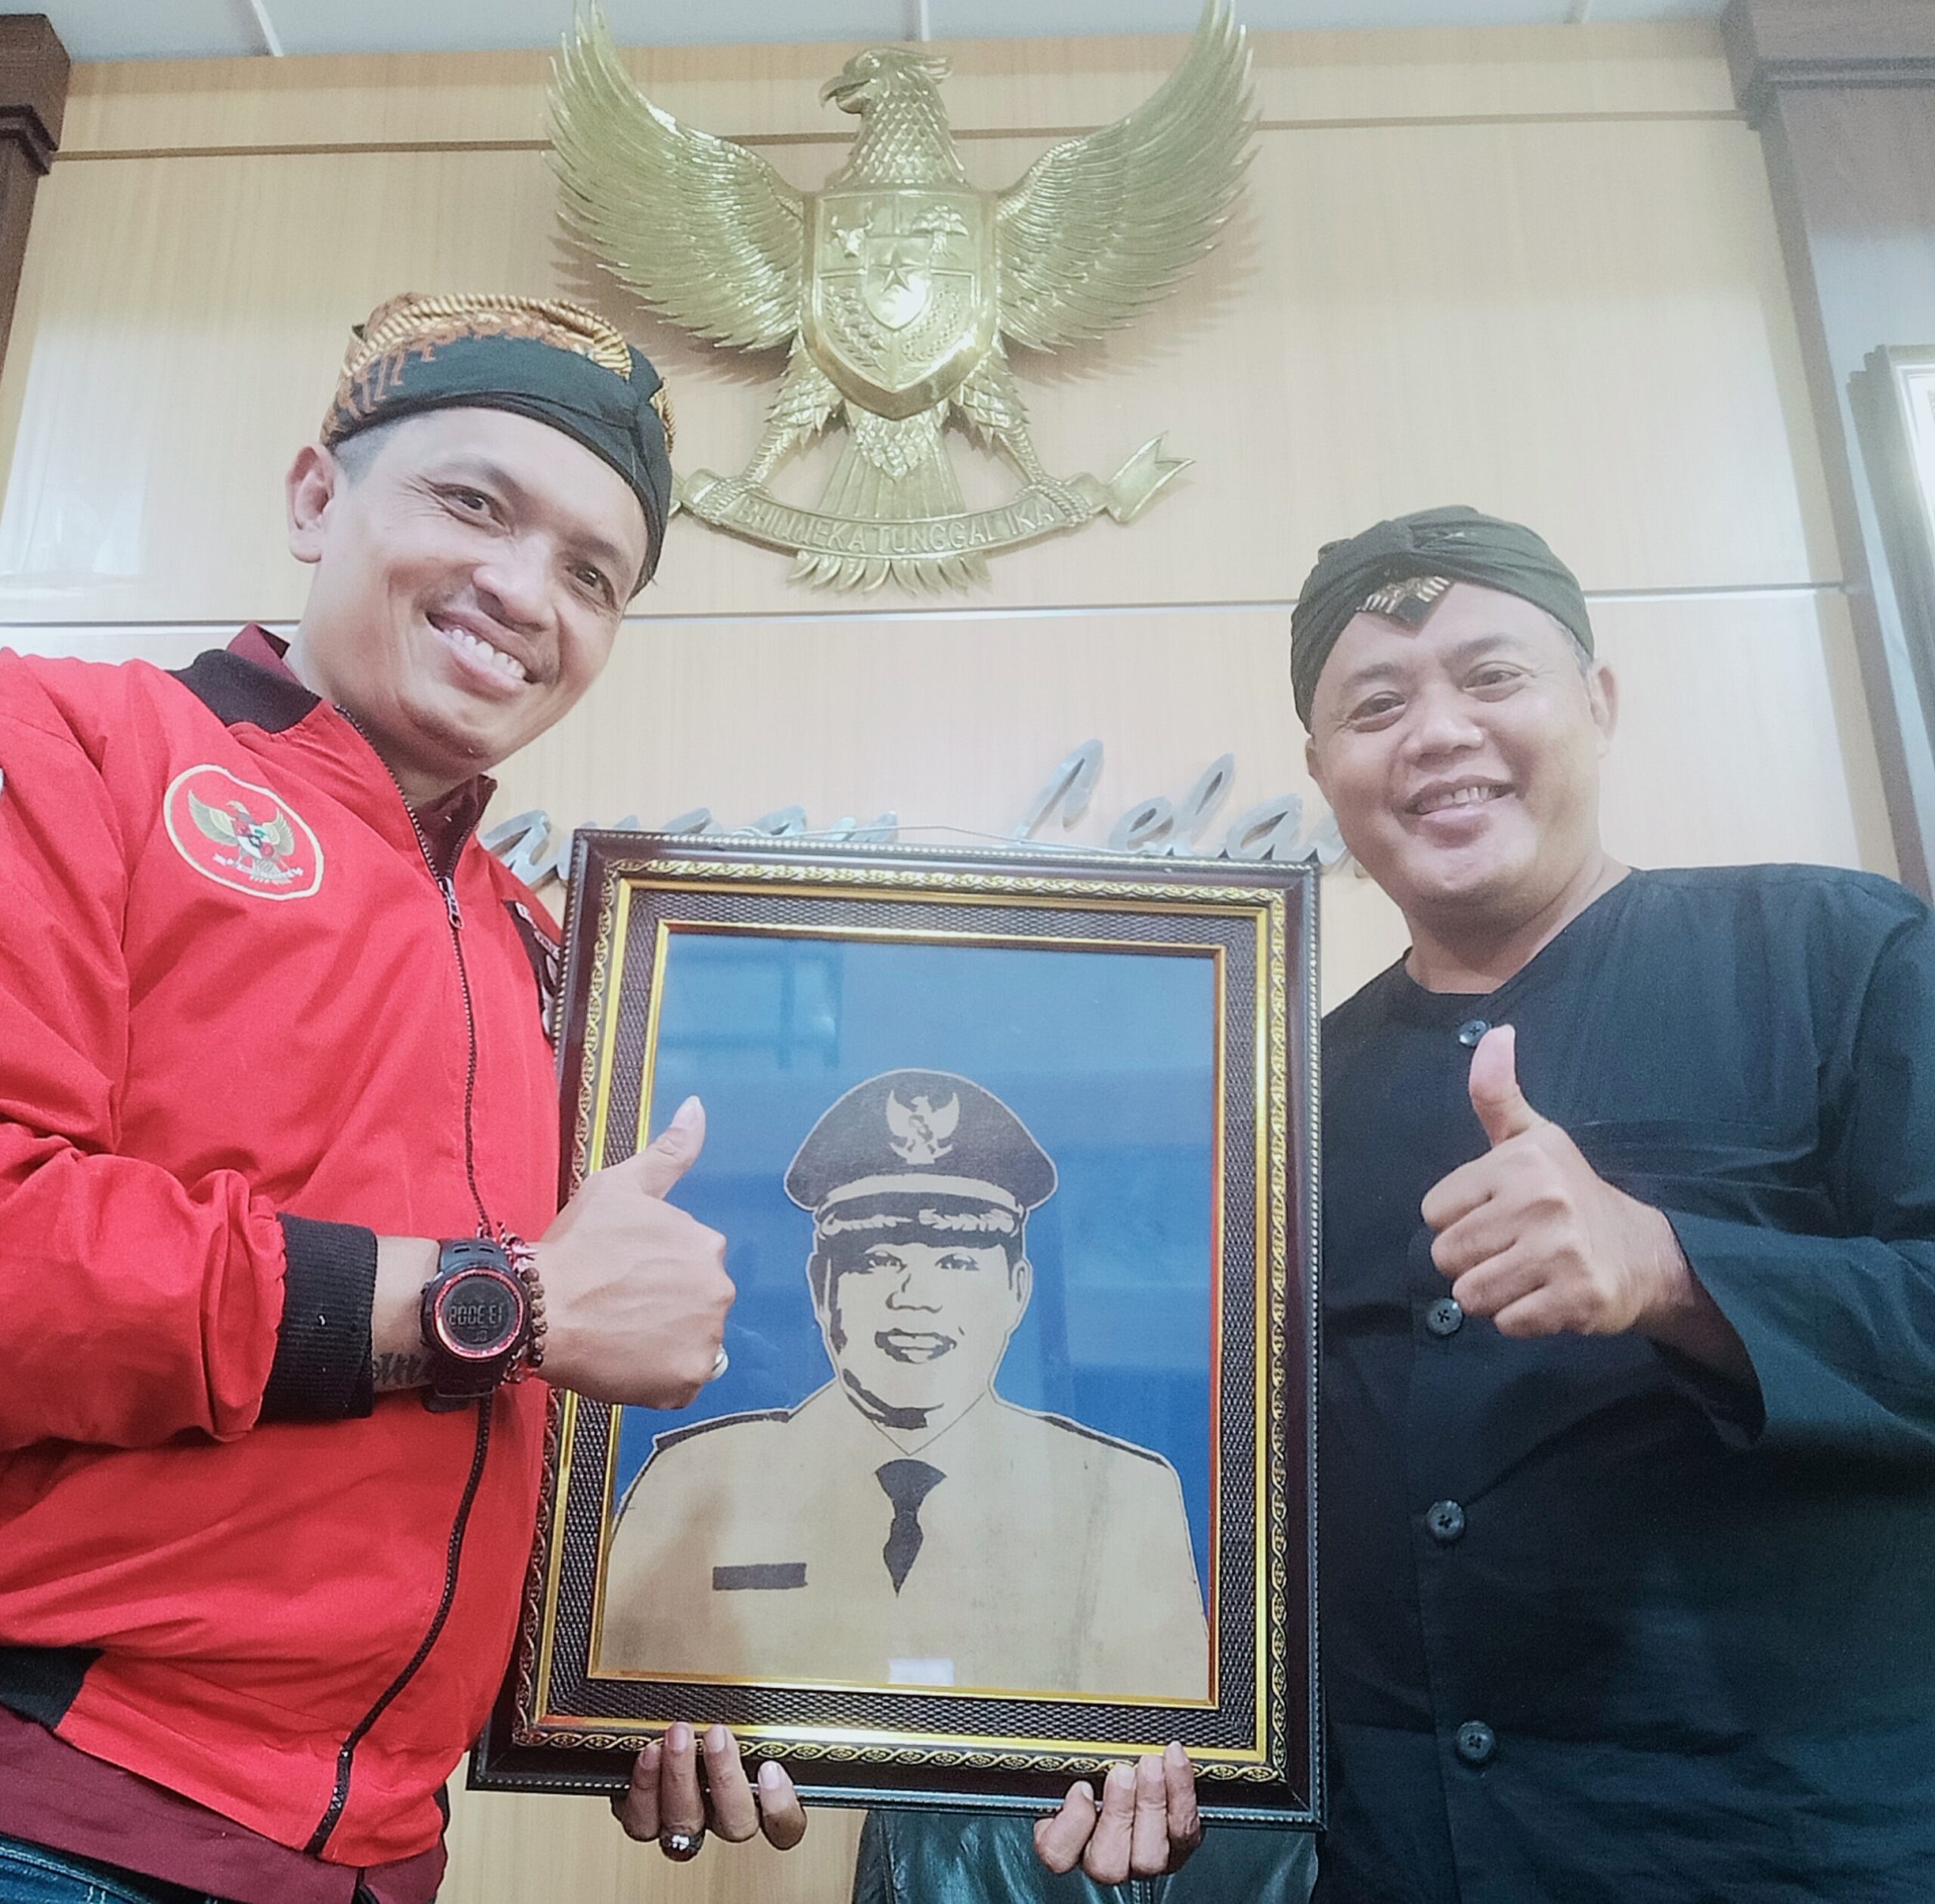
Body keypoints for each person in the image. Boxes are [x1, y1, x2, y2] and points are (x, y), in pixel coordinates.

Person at [0, 293, 806, 1904]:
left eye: (594, 574)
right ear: (317, 495)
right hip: (68, 1810)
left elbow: (578, 1375)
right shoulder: (69, 742)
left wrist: (652, 1671)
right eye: (475, 502)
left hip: (384, 1856)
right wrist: (487, 1300)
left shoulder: (549, 948)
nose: (525, 591)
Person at [1296, 505, 1935, 1900]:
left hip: (1788, 1848)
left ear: (1597, 701)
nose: (1438, 731)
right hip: (1405, 1859)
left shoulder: (1840, 953)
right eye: (1376, 705)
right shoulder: (1285, 1093)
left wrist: (1674, 1267)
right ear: (1321, 768)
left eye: (1492, 675)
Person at [602, 1069, 1209, 1699]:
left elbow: (1162, 1728)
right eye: (878, 1260)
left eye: (956, 1261)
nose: (915, 1297)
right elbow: (613, 1708)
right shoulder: (692, 1483)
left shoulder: (1124, 1499)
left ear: (1017, 1291)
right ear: (821, 1288)